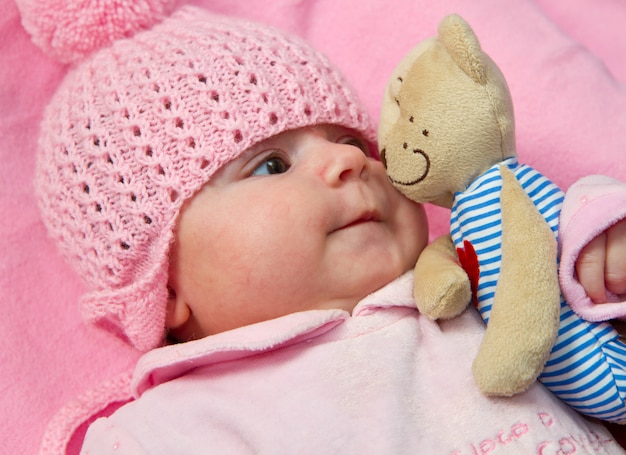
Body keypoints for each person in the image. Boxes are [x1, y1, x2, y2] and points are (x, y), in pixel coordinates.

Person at [23, 1, 626, 453]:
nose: (351, 161)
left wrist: (602, 246)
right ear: (167, 289)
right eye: (272, 164)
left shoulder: (479, 282)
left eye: (352, 140)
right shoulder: (168, 431)